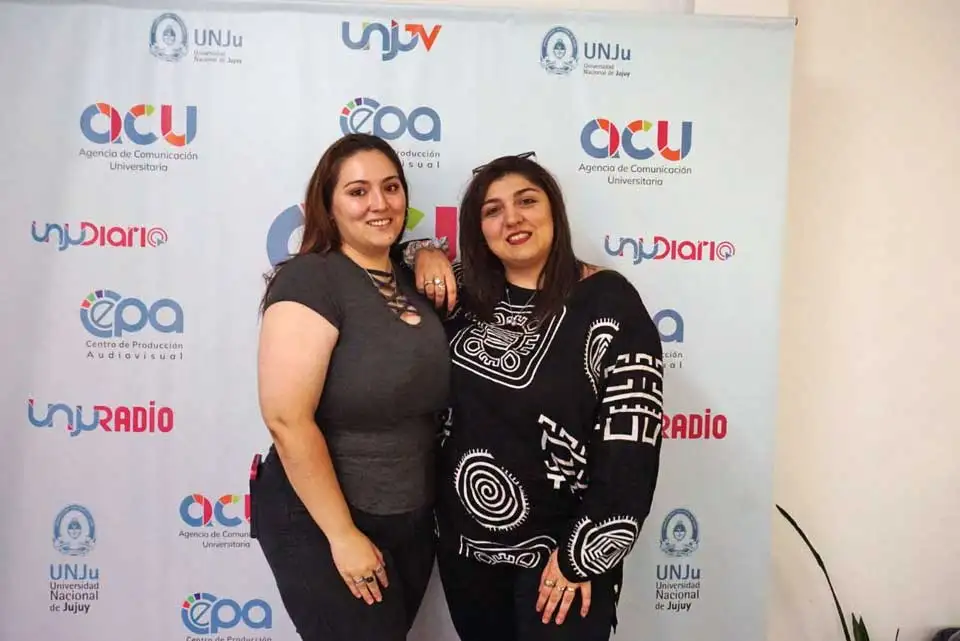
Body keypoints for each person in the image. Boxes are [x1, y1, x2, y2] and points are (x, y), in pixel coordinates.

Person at [405, 153, 664, 641]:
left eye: (527, 201)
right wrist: (422, 251)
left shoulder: (609, 302)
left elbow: (632, 448)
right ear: (478, 229)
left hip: (563, 562)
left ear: (554, 211)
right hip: (468, 557)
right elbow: (379, 264)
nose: (513, 219)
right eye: (493, 210)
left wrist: (582, 557)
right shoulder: (460, 296)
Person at [249, 133, 451, 641]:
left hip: (408, 519)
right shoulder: (310, 280)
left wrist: (426, 250)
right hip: (324, 521)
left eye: (391, 187)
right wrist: (341, 535)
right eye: (358, 191)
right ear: (329, 205)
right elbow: (286, 420)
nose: (379, 203)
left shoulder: (412, 280)